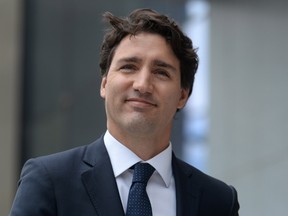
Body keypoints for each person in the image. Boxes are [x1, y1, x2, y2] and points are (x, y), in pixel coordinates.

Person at [10, 8, 239, 216]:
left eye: (161, 72)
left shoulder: (218, 200)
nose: (142, 85)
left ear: (182, 95)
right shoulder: (50, 181)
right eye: (129, 67)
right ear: (104, 84)